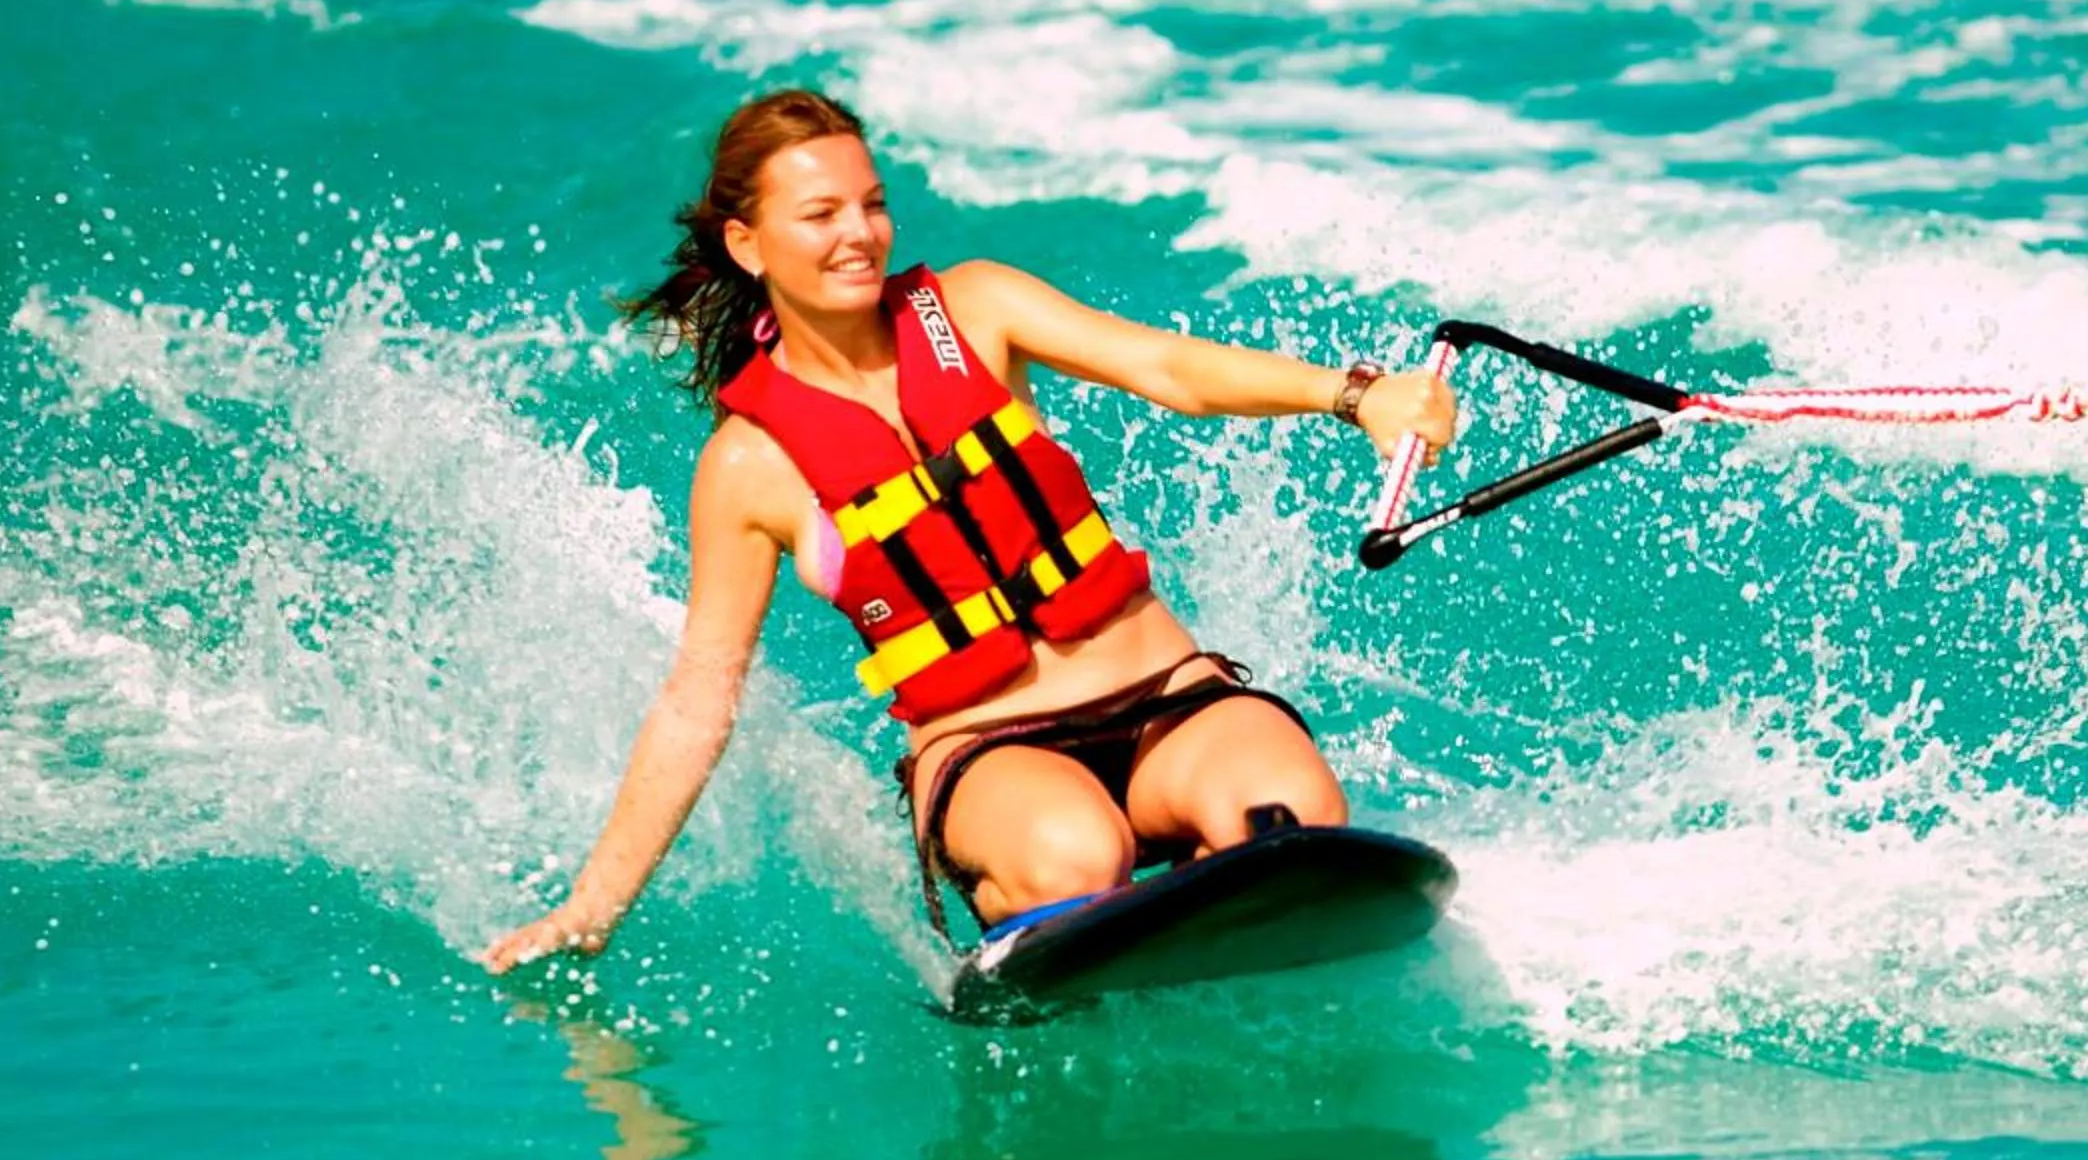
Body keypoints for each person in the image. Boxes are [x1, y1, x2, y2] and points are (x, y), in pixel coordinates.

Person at [483, 90, 1456, 972]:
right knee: (1071, 854)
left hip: (1166, 697)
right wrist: (593, 906)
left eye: (871, 203)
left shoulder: (975, 309)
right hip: (995, 754)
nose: (858, 233)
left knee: (1286, 813)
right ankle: (1023, 911)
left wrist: (1356, 395)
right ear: (748, 244)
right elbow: (700, 696)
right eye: (820, 215)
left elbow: (1168, 367)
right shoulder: (751, 463)